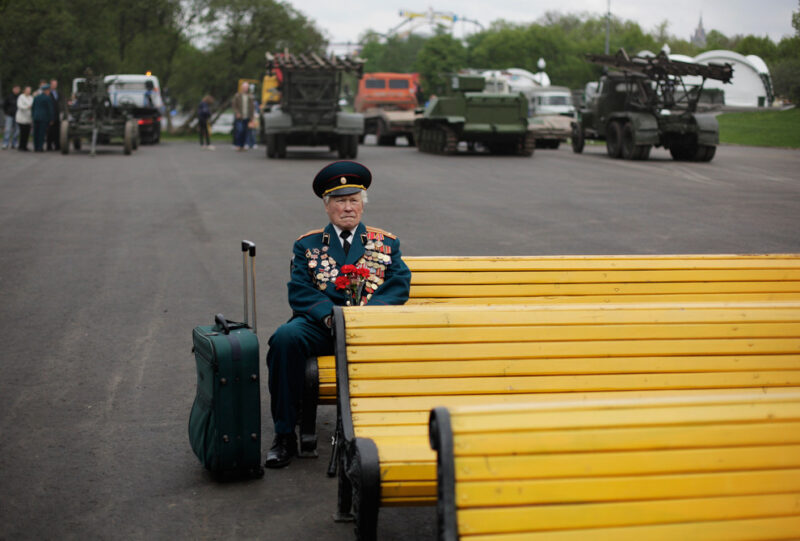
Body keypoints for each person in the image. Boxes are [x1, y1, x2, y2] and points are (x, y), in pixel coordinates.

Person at [264, 161, 412, 468]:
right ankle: (284, 435)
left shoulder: (385, 243)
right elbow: (300, 290)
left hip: (370, 329)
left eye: (354, 201)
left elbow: (398, 284)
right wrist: (328, 316)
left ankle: (395, 432)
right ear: (327, 206)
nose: (348, 208)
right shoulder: (308, 245)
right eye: (340, 201)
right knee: (284, 339)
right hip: (324, 326)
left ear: (362, 205)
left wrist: (368, 316)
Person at [32, 84, 54, 152]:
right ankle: (40, 147)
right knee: (41, 133)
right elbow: (50, 109)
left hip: (36, 117)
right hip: (43, 118)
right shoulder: (47, 98)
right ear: (46, 91)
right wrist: (51, 119)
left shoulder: (36, 97)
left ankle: (35, 147)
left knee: (36, 133)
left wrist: (33, 116)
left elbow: (33, 108)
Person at [232, 82, 253, 151]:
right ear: (242, 88)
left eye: (246, 88)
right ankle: (238, 145)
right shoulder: (237, 95)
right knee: (240, 130)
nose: (245, 89)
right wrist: (237, 113)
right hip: (239, 117)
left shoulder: (250, 96)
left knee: (245, 132)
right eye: (244, 87)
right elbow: (234, 105)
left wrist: (252, 117)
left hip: (247, 116)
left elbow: (252, 107)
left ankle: (243, 146)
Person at [3, 84, 20, 149]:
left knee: (17, 130)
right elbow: (4, 105)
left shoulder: (20, 97)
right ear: (13, 89)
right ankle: (5, 143)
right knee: (7, 129)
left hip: (17, 116)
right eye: (15, 89)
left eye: (18, 89)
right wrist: (6, 113)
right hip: (9, 115)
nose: (16, 90)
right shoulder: (9, 96)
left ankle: (14, 143)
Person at [15, 86, 33, 152]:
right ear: (24, 90)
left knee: (27, 133)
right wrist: (27, 107)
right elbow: (20, 106)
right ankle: (21, 146)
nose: (28, 91)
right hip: (21, 118)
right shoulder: (21, 97)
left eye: (29, 90)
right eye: (27, 90)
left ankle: (25, 146)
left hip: (28, 118)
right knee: (23, 132)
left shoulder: (31, 97)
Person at [46, 79, 61, 151]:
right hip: (50, 114)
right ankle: (49, 146)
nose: (55, 85)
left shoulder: (57, 92)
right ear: (51, 85)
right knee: (50, 131)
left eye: (56, 84)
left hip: (57, 114)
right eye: (53, 84)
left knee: (57, 131)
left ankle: (57, 145)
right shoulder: (48, 93)